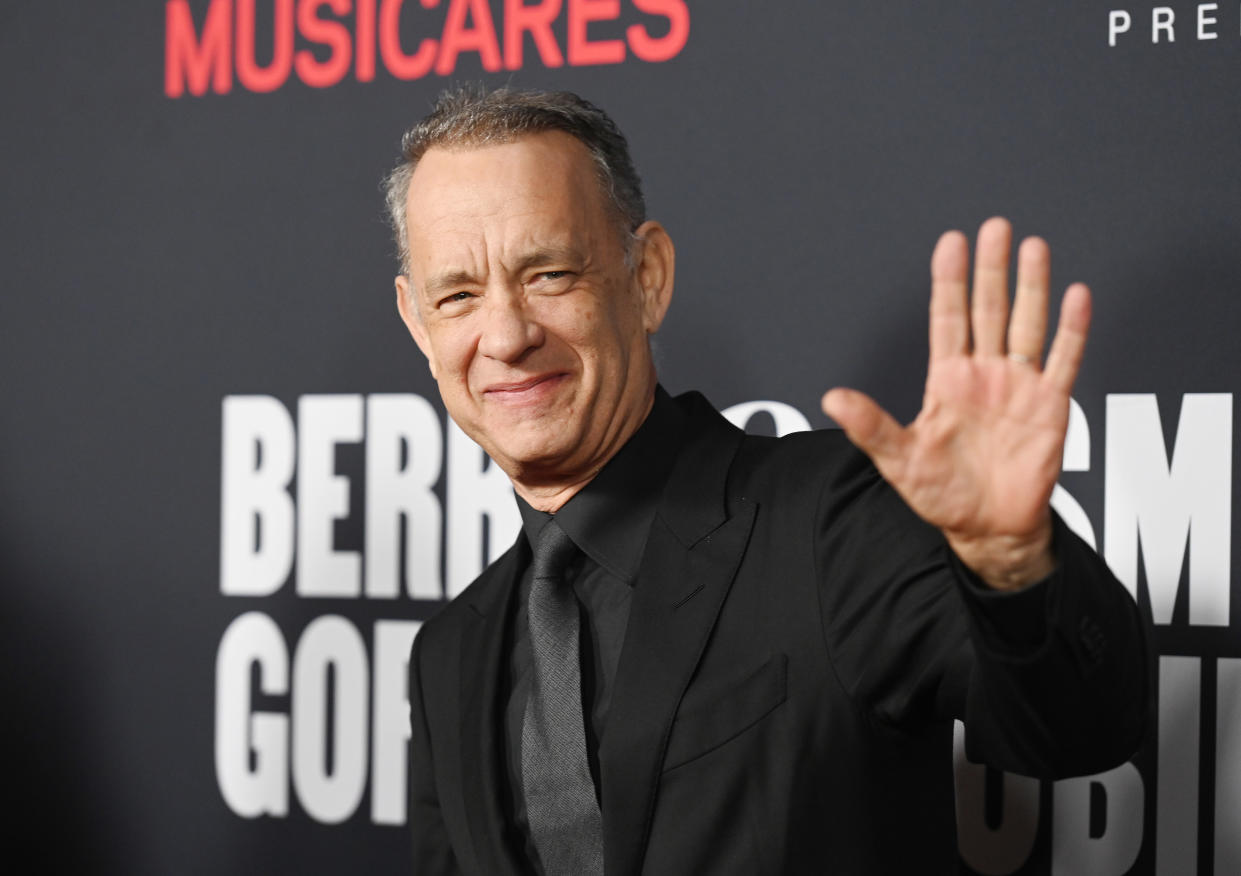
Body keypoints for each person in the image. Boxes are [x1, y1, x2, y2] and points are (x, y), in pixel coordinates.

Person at [384, 87, 1150, 875]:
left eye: (547, 274)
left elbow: (1078, 729)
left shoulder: (828, 520)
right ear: (418, 323)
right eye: (459, 296)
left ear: (645, 276)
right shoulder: (451, 655)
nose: (505, 335)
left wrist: (1010, 563)